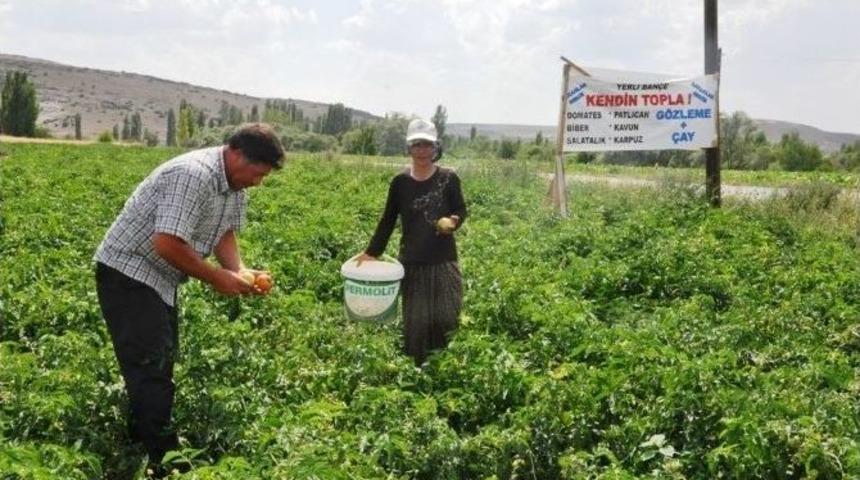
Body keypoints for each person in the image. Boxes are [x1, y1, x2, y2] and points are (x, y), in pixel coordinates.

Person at [93, 123, 284, 473]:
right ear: (236, 153)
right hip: (127, 271)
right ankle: (168, 463)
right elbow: (165, 243)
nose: (258, 182)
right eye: (257, 173)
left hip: (158, 279)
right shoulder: (192, 175)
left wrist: (239, 270)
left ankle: (140, 435)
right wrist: (216, 278)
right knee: (153, 366)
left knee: (160, 358)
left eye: (263, 177)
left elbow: (223, 232)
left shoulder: (235, 186)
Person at [356, 118, 467, 366]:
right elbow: (388, 220)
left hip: (443, 260)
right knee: (416, 322)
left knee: (446, 318)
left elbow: (461, 208)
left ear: (436, 147)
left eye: (427, 145)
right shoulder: (400, 183)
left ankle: (443, 368)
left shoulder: (448, 178)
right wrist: (371, 253)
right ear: (409, 148)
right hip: (413, 262)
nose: (422, 150)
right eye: (417, 144)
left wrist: (453, 220)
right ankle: (416, 369)